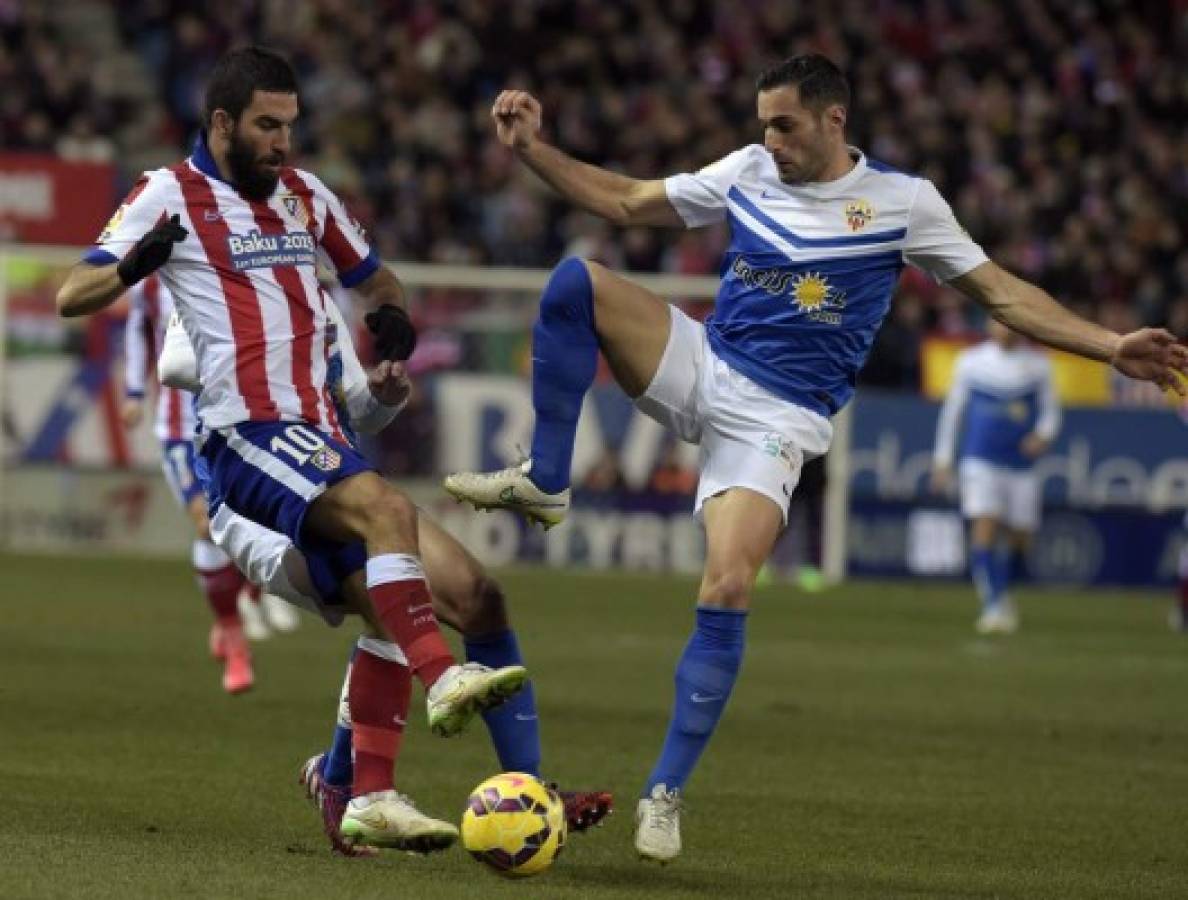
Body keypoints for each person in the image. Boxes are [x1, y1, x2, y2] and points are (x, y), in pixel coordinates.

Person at [442, 53, 1188, 863]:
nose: (771, 139)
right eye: (764, 123)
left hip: (777, 418)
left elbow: (1004, 293)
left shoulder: (904, 204)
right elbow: (627, 201)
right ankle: (548, 480)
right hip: (704, 361)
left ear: (835, 120)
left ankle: (664, 793)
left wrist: (1112, 345)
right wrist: (530, 151)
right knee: (574, 283)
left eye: (786, 124)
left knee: (728, 583)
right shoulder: (748, 170)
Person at [55, 45, 529, 851]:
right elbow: (74, 292)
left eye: (290, 126)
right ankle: (442, 677)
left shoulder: (307, 198)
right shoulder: (169, 194)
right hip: (248, 439)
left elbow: (376, 279)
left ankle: (362, 792)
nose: (283, 143)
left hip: (322, 437)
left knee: (436, 588)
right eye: (267, 126)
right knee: (386, 514)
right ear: (222, 123)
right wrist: (136, 264)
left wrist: (392, 319)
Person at [157, 292, 613, 855]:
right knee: (390, 604)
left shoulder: (321, 297)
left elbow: (355, 406)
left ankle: (527, 790)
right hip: (260, 499)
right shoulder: (220, 278)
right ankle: (364, 785)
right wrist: (272, 356)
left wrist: (381, 396)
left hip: (335, 476)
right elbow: (175, 366)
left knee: (478, 597)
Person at [122, 275, 300, 696]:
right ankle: (232, 632)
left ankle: (252, 597)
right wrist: (133, 390)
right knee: (206, 522)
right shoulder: (154, 277)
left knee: (254, 518)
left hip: (240, 419)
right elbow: (138, 329)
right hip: (181, 428)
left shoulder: (242, 265)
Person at [930, 321, 1061, 634]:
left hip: (1020, 464)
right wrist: (943, 458)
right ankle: (993, 603)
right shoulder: (971, 362)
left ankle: (1002, 593)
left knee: (1021, 538)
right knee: (984, 524)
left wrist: (1043, 435)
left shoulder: (1039, 365)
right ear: (989, 324)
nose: (1006, 329)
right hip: (980, 459)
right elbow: (953, 412)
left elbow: (1050, 411)